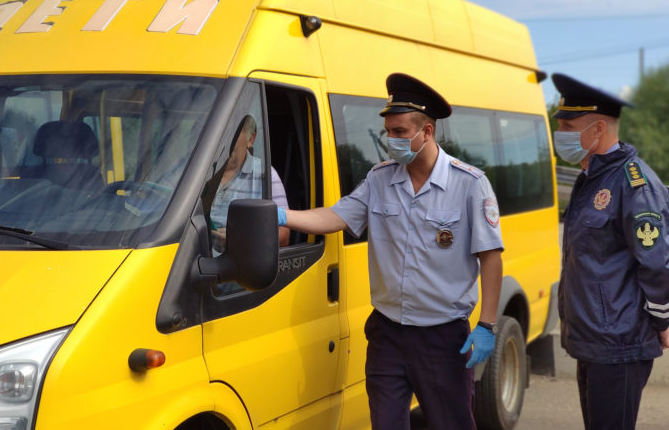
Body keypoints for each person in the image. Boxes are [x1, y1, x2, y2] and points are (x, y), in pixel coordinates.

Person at [277, 73, 504, 429]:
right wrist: (281, 215)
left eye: (399, 132)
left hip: (442, 337)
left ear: (426, 132)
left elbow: (490, 258)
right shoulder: (380, 179)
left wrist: (487, 325)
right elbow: (335, 216)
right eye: (388, 132)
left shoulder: (469, 184)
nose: (390, 140)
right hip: (387, 334)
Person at [551, 73, 669, 430]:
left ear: (598, 129)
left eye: (569, 126)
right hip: (593, 341)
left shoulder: (634, 183)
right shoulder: (592, 178)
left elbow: (656, 263)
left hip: (619, 344)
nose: (561, 136)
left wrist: (662, 320)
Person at [210, 114, 290, 254]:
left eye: (232, 132)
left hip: (237, 270)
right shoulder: (198, 171)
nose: (223, 140)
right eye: (220, 131)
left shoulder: (266, 175)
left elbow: (284, 235)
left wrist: (239, 239)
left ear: (250, 139)